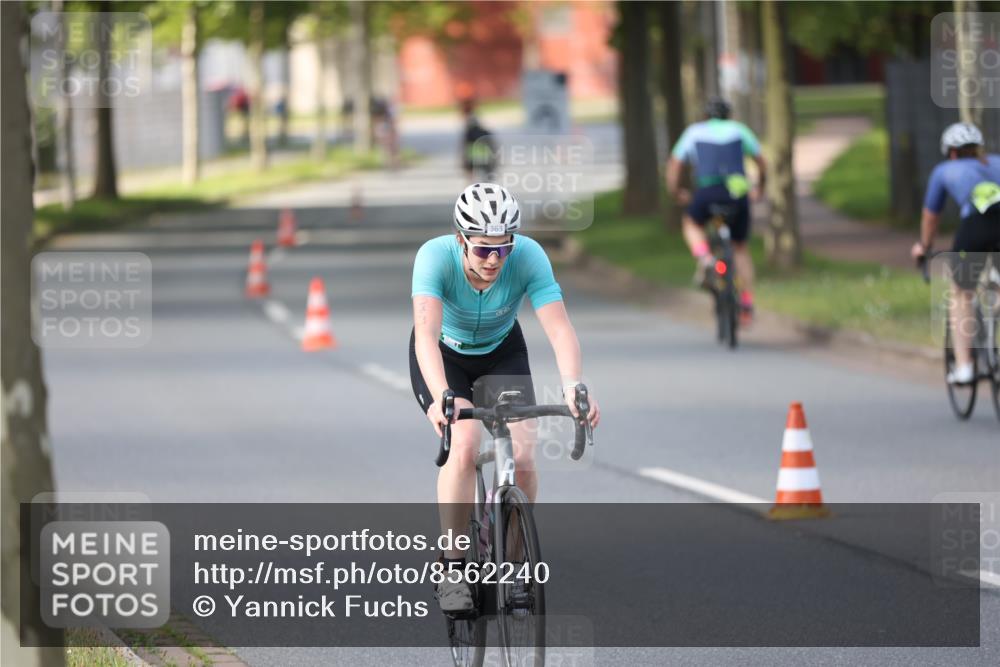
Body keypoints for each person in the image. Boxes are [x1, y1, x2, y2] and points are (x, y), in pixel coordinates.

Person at [409, 182, 600, 613]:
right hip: (445, 357)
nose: (494, 259)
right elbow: (425, 336)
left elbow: (558, 328)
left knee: (526, 453)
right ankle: (453, 567)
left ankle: (514, 567)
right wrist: (443, 395)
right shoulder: (433, 257)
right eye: (482, 250)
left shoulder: (529, 256)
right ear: (460, 240)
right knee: (465, 446)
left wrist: (573, 386)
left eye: (503, 249)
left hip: (501, 351)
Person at [911, 121, 1000, 385]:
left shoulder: (944, 170)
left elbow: (931, 217)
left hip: (976, 227)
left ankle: (964, 367)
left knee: (961, 292)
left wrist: (924, 247)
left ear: (951, 152)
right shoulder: (996, 162)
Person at [666, 97, 767, 324]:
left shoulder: (694, 132)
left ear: (706, 115)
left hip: (708, 192)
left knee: (692, 223)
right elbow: (761, 161)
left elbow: (674, 164)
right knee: (740, 248)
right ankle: (747, 302)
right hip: (737, 193)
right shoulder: (740, 130)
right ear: (729, 115)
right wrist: (761, 186)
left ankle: (705, 258)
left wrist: (675, 191)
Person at [459, 98, 498, 182]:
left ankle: (471, 181)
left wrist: (463, 162)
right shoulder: (485, 132)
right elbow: (493, 146)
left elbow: (464, 147)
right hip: (485, 158)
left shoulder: (468, 133)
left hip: (472, 159)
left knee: (471, 173)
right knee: (487, 175)